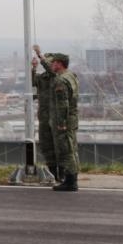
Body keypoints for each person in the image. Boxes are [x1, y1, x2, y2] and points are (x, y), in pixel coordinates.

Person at [50, 54, 80, 192]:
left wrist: (61, 122)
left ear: (59, 64)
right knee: (72, 149)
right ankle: (72, 179)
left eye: (53, 63)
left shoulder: (61, 80)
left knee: (66, 150)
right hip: (72, 118)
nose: (51, 65)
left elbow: (63, 103)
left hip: (65, 119)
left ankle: (70, 181)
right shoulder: (71, 76)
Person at [32, 45, 60, 181]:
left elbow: (51, 70)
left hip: (55, 117)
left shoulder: (57, 76)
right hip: (44, 117)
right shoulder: (43, 78)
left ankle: (63, 173)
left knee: (59, 146)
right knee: (46, 145)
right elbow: (32, 82)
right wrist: (33, 68)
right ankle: (53, 173)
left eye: (49, 62)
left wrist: (39, 54)